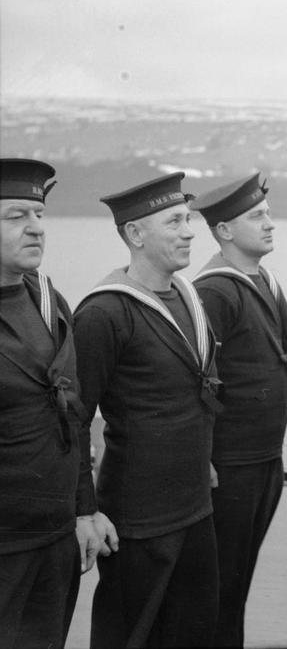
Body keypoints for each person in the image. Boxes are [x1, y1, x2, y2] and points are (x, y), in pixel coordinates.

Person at [73, 172, 221, 648]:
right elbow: (74, 419)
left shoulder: (189, 296)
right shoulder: (104, 313)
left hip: (194, 505)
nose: (189, 230)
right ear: (136, 234)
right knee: (130, 636)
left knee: (193, 631)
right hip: (136, 517)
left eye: (188, 218)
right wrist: (84, 510)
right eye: (174, 221)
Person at [0, 159, 116, 649]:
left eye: (40, 214)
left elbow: (72, 411)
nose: (36, 228)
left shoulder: (49, 301)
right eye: (16, 216)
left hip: (53, 536)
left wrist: (83, 510)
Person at [191, 173, 287, 648]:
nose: (270, 223)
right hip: (230, 466)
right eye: (257, 216)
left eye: (268, 213)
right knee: (218, 588)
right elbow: (194, 380)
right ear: (225, 231)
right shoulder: (215, 291)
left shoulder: (266, 283)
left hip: (264, 460)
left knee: (238, 582)